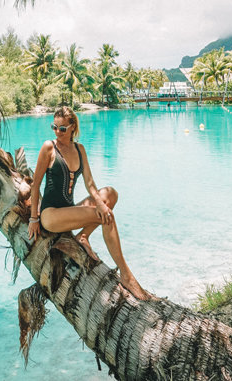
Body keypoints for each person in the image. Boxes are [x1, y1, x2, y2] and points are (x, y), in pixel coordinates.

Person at [27, 106, 150, 300]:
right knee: (106, 216)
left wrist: (100, 202)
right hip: (51, 215)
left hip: (70, 209)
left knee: (110, 195)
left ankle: (83, 237)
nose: (57, 132)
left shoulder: (79, 149)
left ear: (72, 127)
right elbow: (35, 185)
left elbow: (90, 183)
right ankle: (127, 276)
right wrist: (34, 218)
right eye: (54, 127)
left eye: (62, 128)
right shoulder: (49, 147)